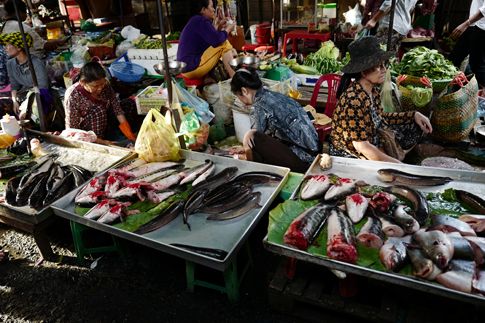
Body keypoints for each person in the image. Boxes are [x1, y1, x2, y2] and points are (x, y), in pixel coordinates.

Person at [329, 36, 432, 163]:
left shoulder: (373, 91)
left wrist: (414, 115)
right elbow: (362, 146)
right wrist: (395, 164)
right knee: (390, 158)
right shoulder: (353, 100)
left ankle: (392, 153)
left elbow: (381, 117)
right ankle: (389, 156)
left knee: (415, 125)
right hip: (350, 154)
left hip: (371, 137)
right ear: (363, 71)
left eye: (384, 65)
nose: (384, 70)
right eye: (378, 66)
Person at [230, 69, 319, 172]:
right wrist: (244, 149)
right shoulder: (275, 96)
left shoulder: (260, 105)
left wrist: (246, 152)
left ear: (244, 91)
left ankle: (252, 170)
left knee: (250, 137)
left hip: (303, 162)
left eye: (238, 96)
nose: (240, 101)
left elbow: (256, 141)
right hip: (313, 154)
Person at [64, 61, 136, 142]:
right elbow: (72, 129)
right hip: (86, 134)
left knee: (129, 104)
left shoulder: (105, 85)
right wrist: (102, 142)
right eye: (96, 86)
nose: (100, 88)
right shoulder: (73, 95)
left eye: (102, 84)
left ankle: (116, 135)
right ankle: (100, 140)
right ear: (83, 83)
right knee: (97, 110)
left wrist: (129, 134)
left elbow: (117, 109)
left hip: (105, 123)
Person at [177, 0, 236, 82]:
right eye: (211, 6)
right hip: (191, 67)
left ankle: (208, 79)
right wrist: (228, 29)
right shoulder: (200, 21)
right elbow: (217, 40)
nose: (214, 9)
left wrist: (219, 27)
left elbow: (210, 39)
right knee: (224, 44)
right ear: (203, 9)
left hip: (186, 67)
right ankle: (236, 80)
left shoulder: (196, 20)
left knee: (221, 43)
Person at [0, 32, 50, 122]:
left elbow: (43, 86)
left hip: (39, 94)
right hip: (23, 95)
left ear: (19, 48)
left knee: (35, 103)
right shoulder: (10, 63)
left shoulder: (36, 62)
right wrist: (14, 101)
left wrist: (25, 106)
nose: (5, 49)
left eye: (8, 46)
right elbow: (14, 85)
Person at [1, 0, 65, 57]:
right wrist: (57, 41)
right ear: (19, 12)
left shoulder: (5, 26)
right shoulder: (23, 27)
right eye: (25, 11)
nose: (26, 14)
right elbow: (44, 46)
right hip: (34, 59)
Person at [450, 0, 485, 88]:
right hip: (474, 26)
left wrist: (466, 23)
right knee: (454, 59)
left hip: (481, 28)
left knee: (477, 66)